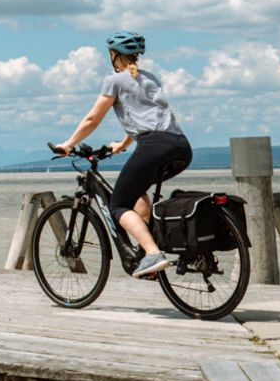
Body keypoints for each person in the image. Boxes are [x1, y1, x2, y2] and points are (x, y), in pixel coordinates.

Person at [53, 31, 192, 279]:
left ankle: (152, 253)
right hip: (180, 145)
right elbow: (150, 115)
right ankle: (149, 249)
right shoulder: (151, 79)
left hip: (153, 146)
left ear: (114, 55)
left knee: (118, 204)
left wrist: (68, 144)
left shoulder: (115, 80)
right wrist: (124, 143)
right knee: (138, 192)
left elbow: (93, 119)